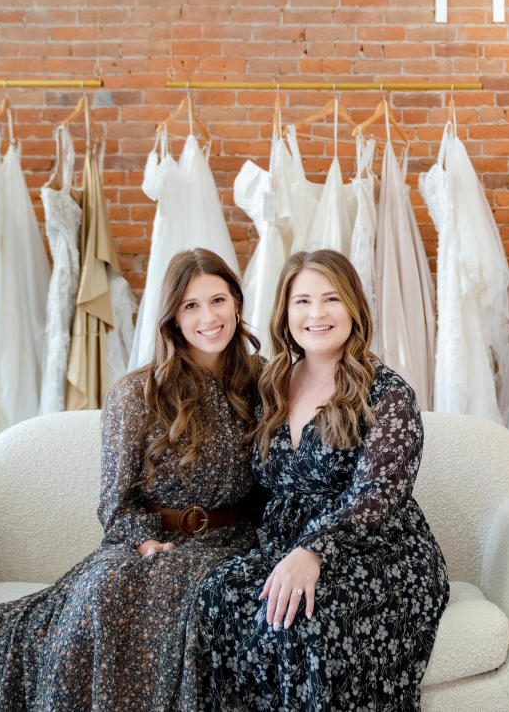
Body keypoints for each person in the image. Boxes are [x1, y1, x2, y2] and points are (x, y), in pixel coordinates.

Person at [0, 248, 263, 711]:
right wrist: (146, 543)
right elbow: (114, 501)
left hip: (232, 540)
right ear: (172, 317)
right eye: (191, 305)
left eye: (218, 300)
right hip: (148, 540)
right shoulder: (137, 393)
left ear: (236, 302)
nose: (208, 316)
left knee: (178, 590)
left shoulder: (264, 381)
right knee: (104, 591)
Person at [188, 248, 449, 711]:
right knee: (219, 591)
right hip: (285, 545)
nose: (316, 313)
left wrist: (313, 551)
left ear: (353, 307)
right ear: (285, 313)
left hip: (376, 550)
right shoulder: (269, 384)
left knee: (303, 616)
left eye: (331, 299)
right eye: (302, 301)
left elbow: (377, 495)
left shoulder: (387, 392)